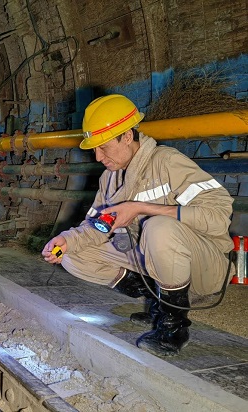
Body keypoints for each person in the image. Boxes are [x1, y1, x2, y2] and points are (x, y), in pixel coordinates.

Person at [42, 94, 234, 357]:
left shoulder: (167, 162)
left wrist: (141, 208)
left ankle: (173, 327)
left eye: (103, 147)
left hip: (205, 266)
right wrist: (66, 240)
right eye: (94, 149)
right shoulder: (110, 179)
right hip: (156, 264)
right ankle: (160, 302)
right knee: (73, 255)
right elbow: (97, 227)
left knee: (159, 228)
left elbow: (219, 215)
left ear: (127, 136)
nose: (98, 156)